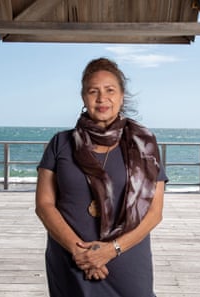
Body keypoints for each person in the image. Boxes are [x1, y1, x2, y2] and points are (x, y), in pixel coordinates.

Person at [35, 57, 167, 297]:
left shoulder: (145, 145)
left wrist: (111, 250)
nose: (101, 98)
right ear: (83, 97)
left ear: (121, 96)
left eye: (109, 90)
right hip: (71, 258)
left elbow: (154, 213)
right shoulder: (60, 143)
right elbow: (44, 205)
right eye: (93, 91)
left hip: (126, 258)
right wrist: (80, 253)